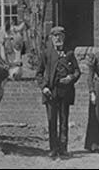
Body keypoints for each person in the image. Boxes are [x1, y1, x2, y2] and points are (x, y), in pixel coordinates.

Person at [36, 26, 81, 158]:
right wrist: (43, 87)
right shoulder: (46, 53)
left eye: (60, 36)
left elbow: (77, 71)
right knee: (51, 120)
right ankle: (53, 149)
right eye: (55, 36)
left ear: (64, 37)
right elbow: (39, 73)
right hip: (50, 92)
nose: (58, 38)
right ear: (51, 38)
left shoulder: (69, 53)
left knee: (64, 120)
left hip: (65, 91)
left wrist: (71, 78)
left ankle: (63, 148)